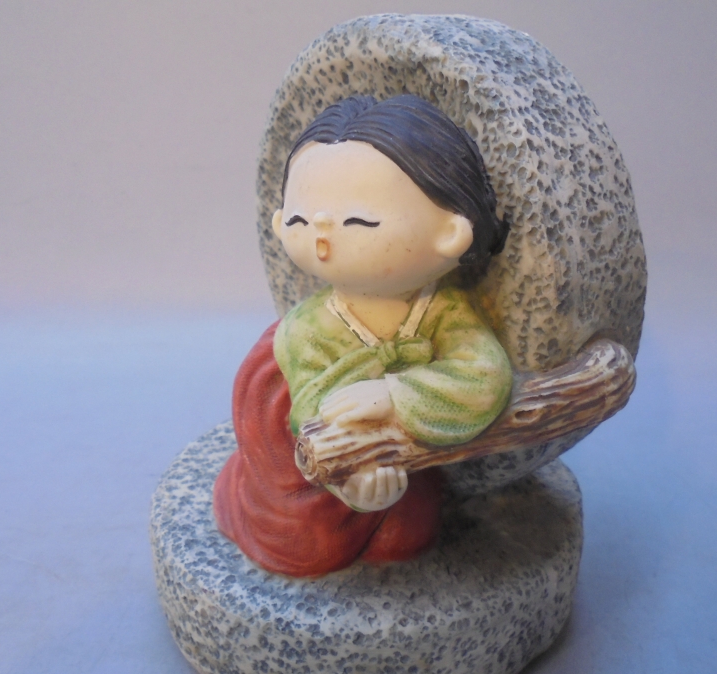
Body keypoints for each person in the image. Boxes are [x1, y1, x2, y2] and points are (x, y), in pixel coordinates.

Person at [214, 95, 512, 576]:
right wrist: (350, 481)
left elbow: (485, 377)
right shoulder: (306, 329)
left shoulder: (444, 309)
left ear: (452, 231)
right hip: (292, 436)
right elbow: (313, 416)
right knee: (308, 545)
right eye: (298, 219)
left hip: (396, 449)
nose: (321, 232)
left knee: (408, 533)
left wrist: (395, 396)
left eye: (358, 221)